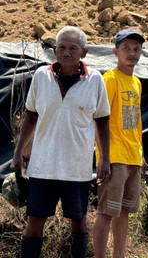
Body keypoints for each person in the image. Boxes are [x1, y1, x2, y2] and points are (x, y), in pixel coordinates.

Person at [11, 26, 111, 258]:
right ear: (54, 50)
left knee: (79, 220)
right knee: (35, 221)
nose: (66, 52)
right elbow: (31, 115)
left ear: (84, 52)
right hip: (42, 166)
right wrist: (17, 153)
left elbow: (103, 122)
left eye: (73, 48)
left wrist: (104, 160)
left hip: (77, 168)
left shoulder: (95, 79)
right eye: (62, 48)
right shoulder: (40, 76)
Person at [92, 29, 147, 258]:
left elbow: (135, 122)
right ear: (115, 51)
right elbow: (98, 119)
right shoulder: (110, 79)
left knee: (124, 211)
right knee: (106, 212)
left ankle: (119, 255)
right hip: (114, 156)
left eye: (136, 49)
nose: (132, 53)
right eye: (126, 49)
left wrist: (141, 154)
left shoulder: (136, 82)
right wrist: (103, 157)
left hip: (132, 155)